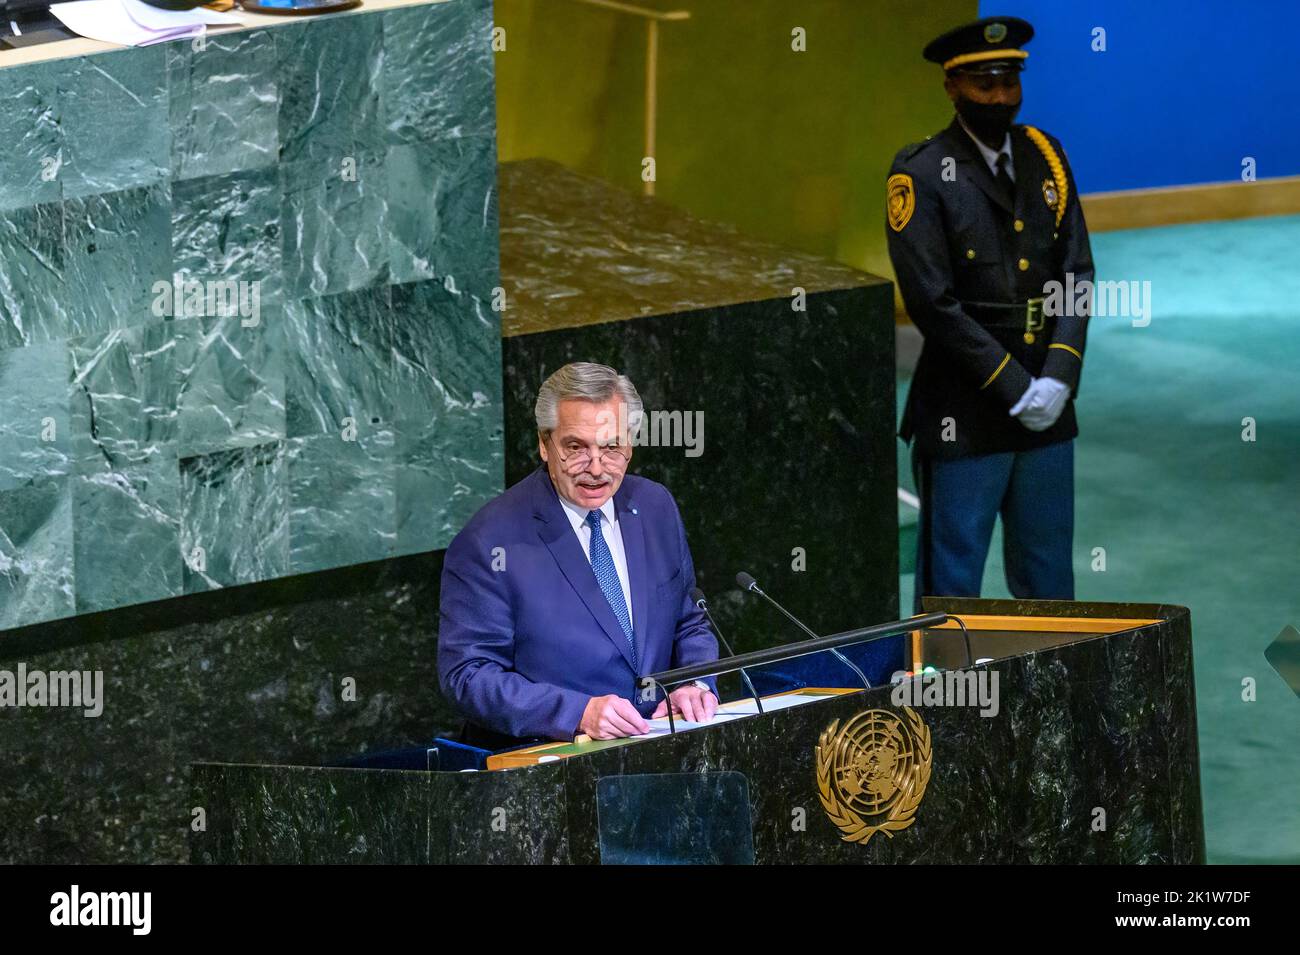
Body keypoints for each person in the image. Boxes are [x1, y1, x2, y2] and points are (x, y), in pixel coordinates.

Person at [886, 16, 1093, 612]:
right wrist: (1014, 385)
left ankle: (1055, 702)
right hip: (965, 405)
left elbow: (1076, 271)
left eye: (1009, 82)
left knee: (1050, 580)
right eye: (984, 84)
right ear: (952, 88)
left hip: (1049, 402)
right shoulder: (921, 172)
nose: (1000, 97)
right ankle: (945, 703)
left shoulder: (1044, 156)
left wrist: (1059, 374)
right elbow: (933, 302)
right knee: (953, 584)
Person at [437, 362, 719, 747]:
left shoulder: (655, 507)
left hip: (664, 751)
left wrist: (694, 682)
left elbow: (688, 622)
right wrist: (577, 713)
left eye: (611, 447)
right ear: (544, 443)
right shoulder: (489, 542)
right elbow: (468, 675)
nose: (597, 468)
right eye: (576, 447)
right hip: (553, 771)